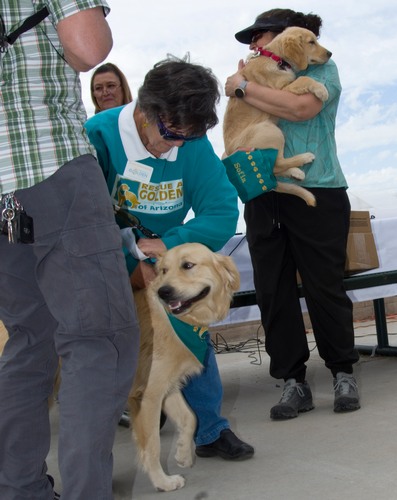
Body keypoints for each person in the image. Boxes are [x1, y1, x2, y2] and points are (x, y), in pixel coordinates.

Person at [0, 2, 140, 499]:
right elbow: (87, 47)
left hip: (4, 194)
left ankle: (19, 490)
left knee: (29, 340)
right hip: (49, 164)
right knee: (99, 339)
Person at [85, 55, 255, 460]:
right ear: (145, 111)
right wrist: (128, 264)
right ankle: (93, 455)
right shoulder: (97, 136)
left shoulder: (190, 141)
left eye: (187, 136)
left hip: (162, 262)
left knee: (190, 328)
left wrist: (167, 248)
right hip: (101, 261)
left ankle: (210, 430)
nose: (178, 144)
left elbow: (221, 211)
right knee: (100, 354)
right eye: (170, 133)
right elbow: (81, 218)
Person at [225, 9, 360, 420]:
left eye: (259, 35)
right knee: (273, 291)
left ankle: (343, 372)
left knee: (325, 286)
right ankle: (292, 381)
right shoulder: (257, 71)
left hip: (319, 188)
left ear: (287, 36)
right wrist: (247, 85)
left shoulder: (322, 68)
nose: (253, 44)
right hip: (263, 193)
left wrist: (243, 86)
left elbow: (300, 108)